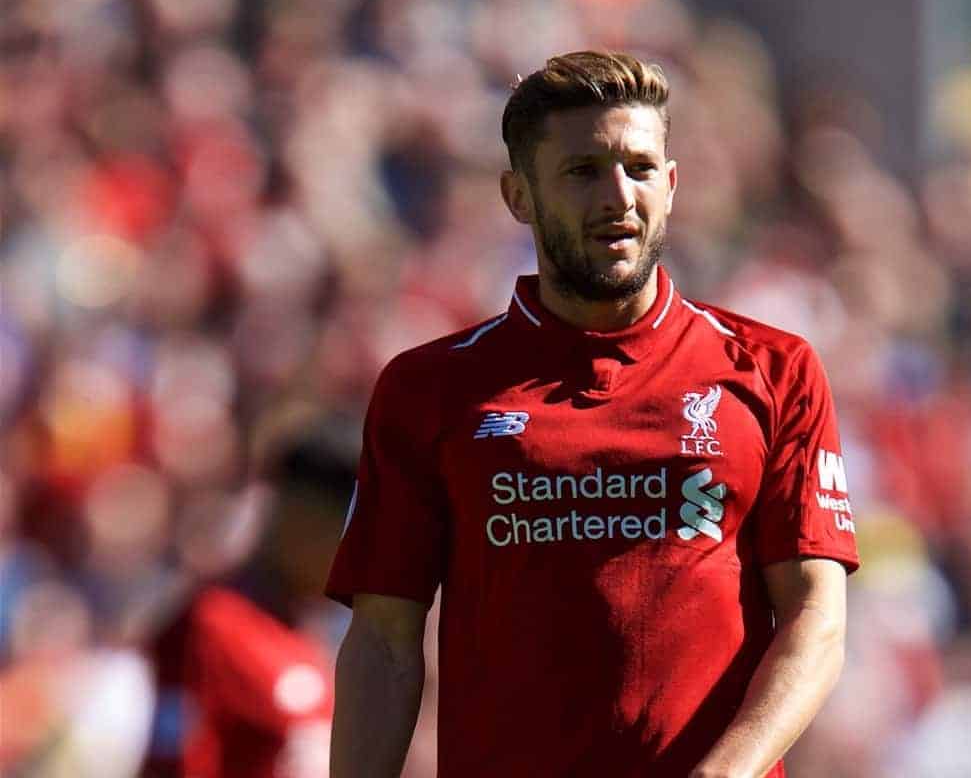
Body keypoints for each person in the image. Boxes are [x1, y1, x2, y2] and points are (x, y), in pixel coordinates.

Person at [326, 50, 859, 778]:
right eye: (582, 172)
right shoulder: (430, 389)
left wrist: (722, 773)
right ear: (519, 195)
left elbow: (816, 620)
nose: (618, 196)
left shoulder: (773, 370)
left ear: (670, 185)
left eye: (640, 168)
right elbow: (384, 641)